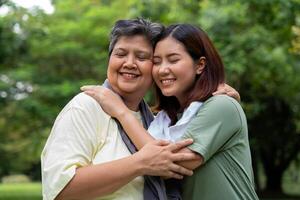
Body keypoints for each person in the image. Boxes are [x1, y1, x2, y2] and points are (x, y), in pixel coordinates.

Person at [82, 23, 259, 199]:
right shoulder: (165, 120)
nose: (162, 70)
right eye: (156, 62)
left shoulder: (221, 105)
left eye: (173, 60)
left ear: (200, 65)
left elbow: (169, 163)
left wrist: (121, 112)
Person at [41, 19, 201, 200]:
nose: (130, 63)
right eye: (120, 54)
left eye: (141, 57)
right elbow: (60, 190)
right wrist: (140, 163)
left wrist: (213, 94)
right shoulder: (85, 108)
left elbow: (178, 164)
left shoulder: (154, 120)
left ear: (156, 66)